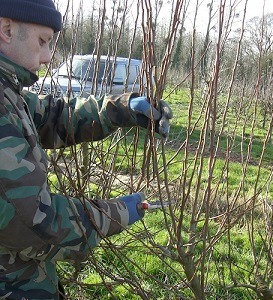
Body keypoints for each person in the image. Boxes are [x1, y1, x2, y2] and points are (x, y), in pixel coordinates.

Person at [0, 0, 172, 299]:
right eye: (43, 41)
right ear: (6, 28)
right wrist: (117, 213)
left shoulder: (7, 93)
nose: (46, 57)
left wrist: (120, 109)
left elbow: (50, 116)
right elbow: (31, 223)